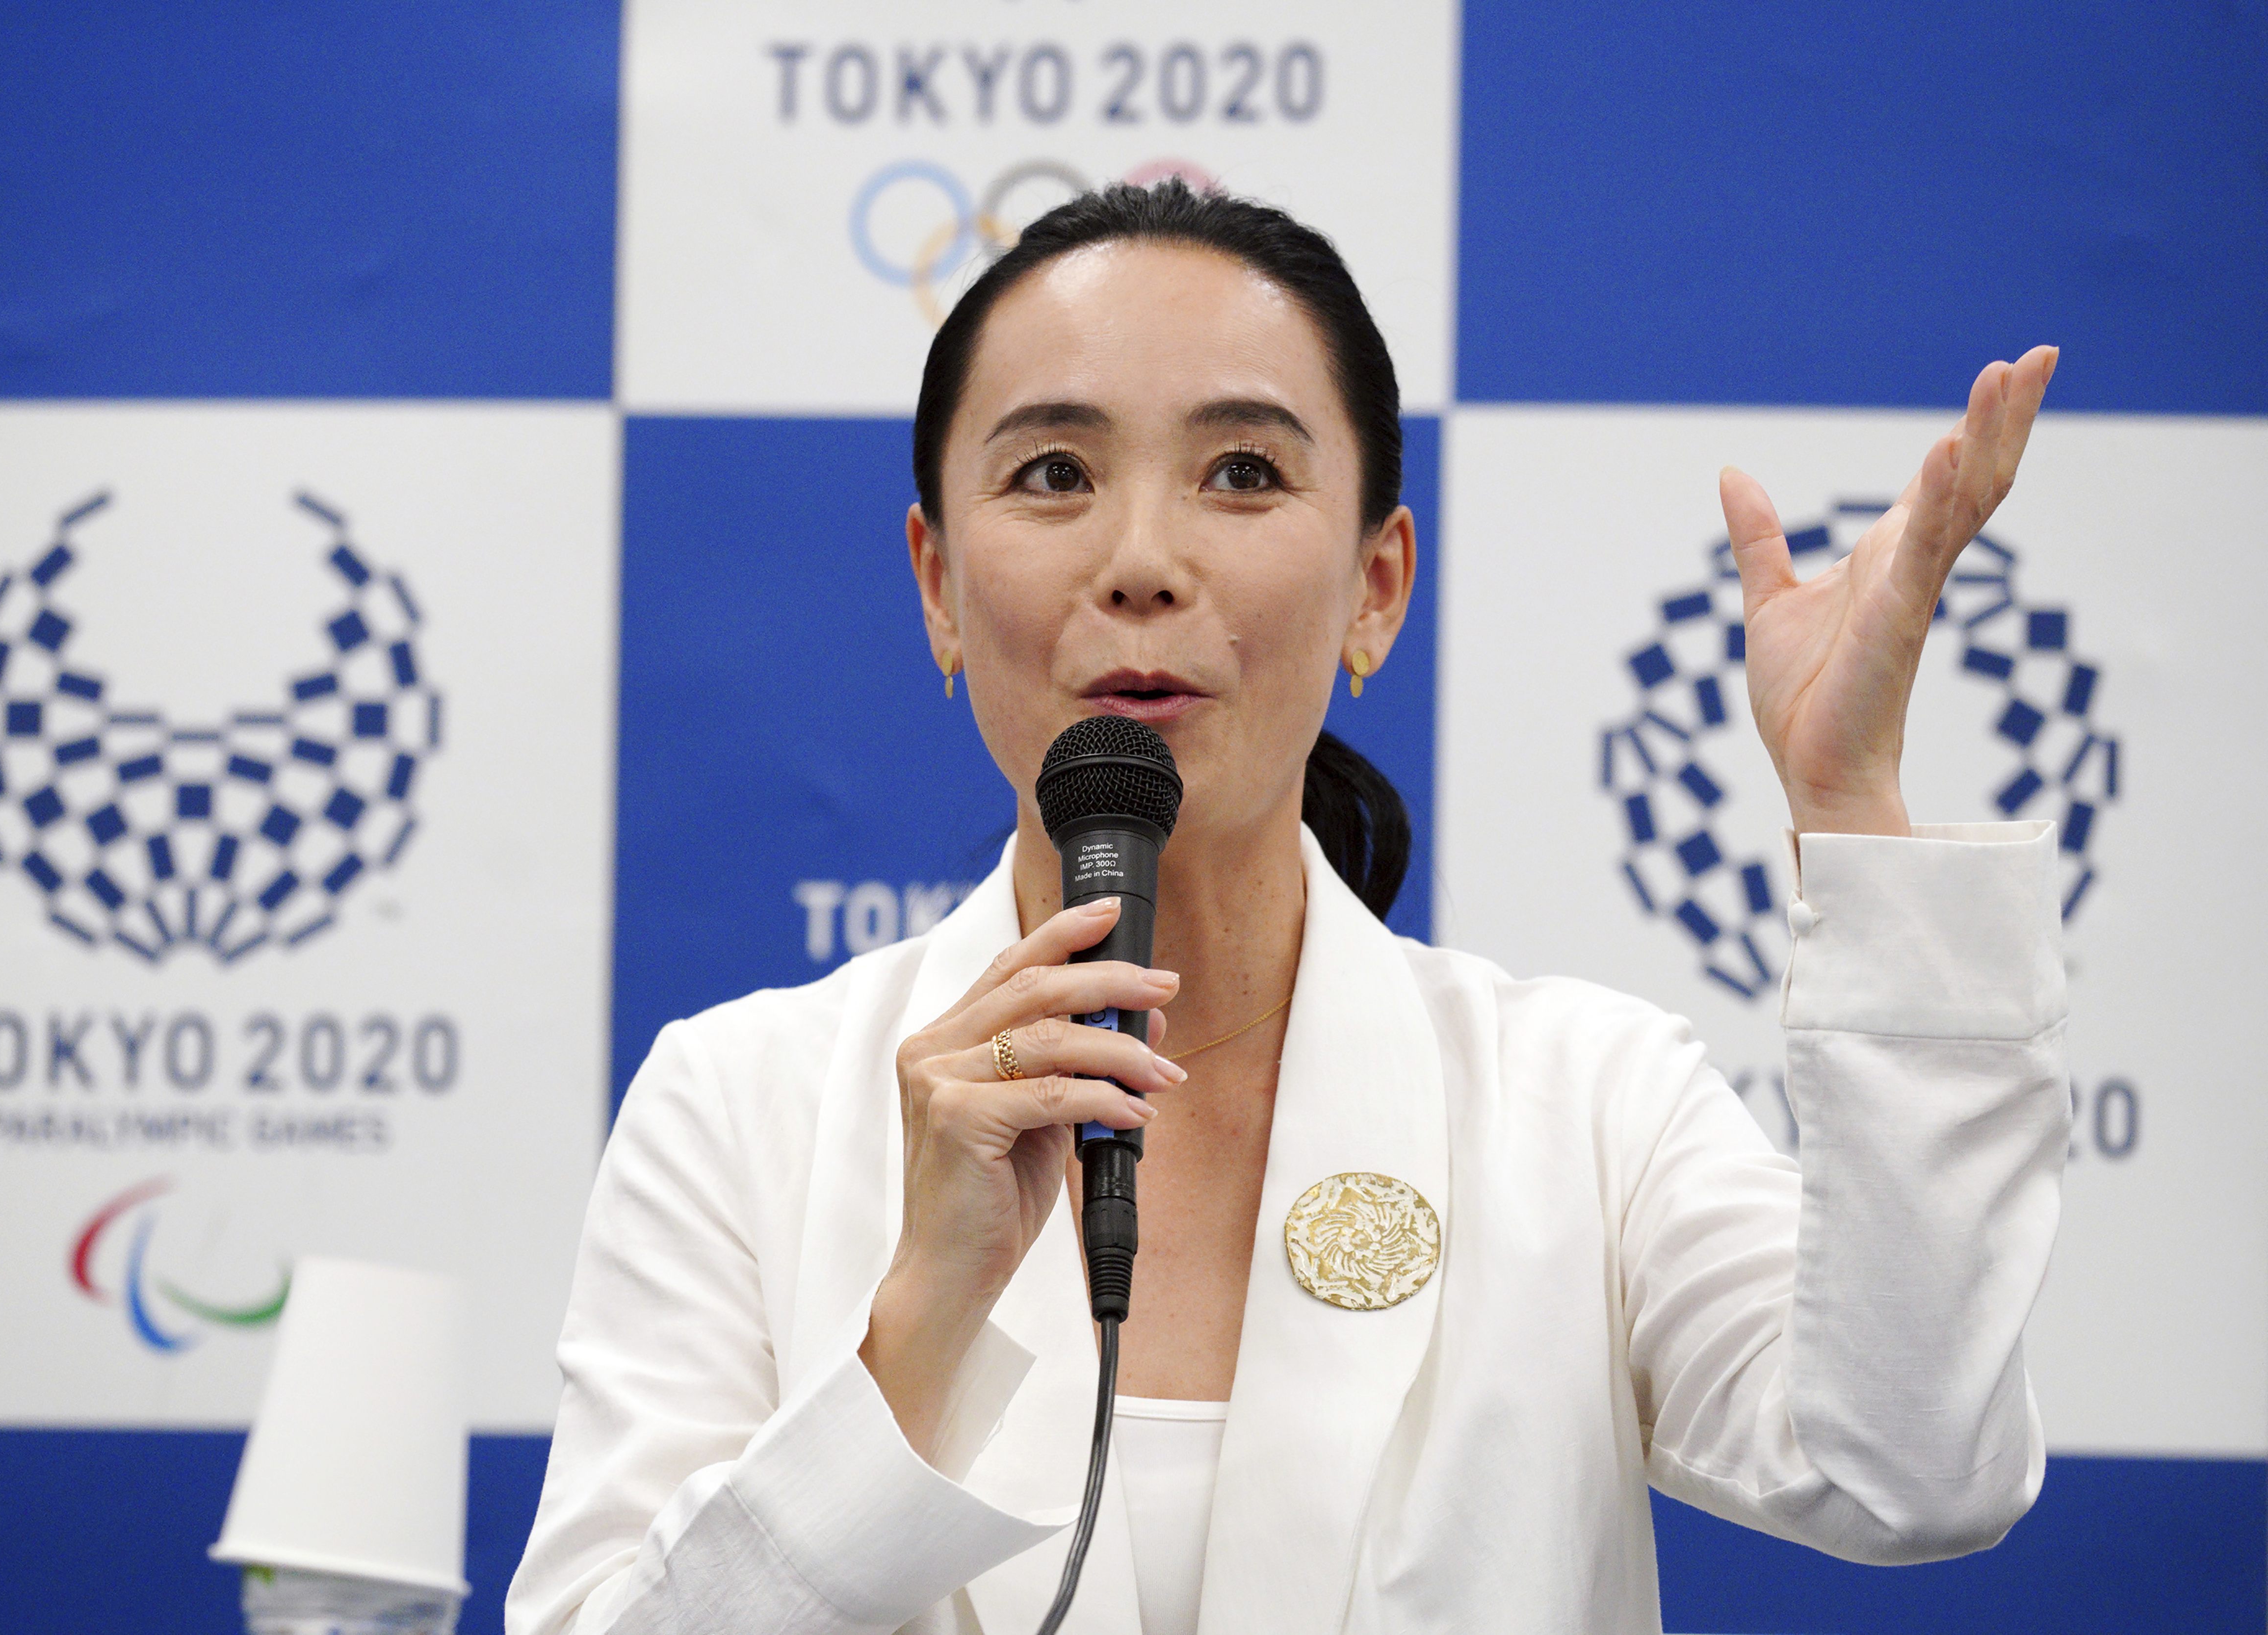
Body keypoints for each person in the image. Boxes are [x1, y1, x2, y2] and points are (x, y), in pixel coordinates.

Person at [507, 182, 2067, 1635]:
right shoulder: (741, 1105)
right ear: (935, 584)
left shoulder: (1585, 1104)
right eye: (1053, 474)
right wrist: (917, 1323)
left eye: (1242, 473)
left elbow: (1917, 1471)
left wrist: (1852, 811)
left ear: (1377, 588)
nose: (1142, 561)